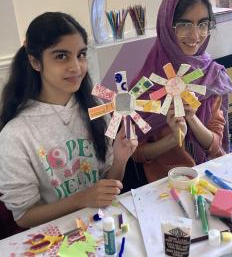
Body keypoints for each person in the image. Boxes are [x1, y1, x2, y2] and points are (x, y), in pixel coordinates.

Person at [0, 12, 138, 228]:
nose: (76, 67)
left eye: (81, 54)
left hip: (104, 227)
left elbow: (108, 184)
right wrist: (80, 199)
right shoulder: (15, 134)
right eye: (61, 56)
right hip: (56, 239)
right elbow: (24, 216)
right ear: (35, 62)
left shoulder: (97, 108)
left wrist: (121, 159)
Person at [131, 0, 232, 183]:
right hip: (165, 185)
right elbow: (137, 154)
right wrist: (172, 139)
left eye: (203, 24)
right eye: (185, 25)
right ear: (166, 26)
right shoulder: (145, 85)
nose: (195, 36)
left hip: (209, 176)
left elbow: (216, 144)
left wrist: (192, 119)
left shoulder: (212, 76)